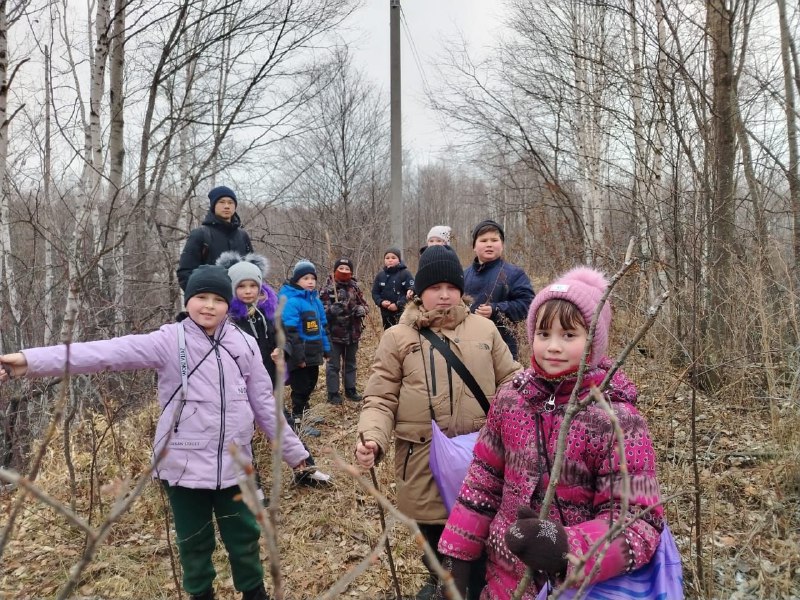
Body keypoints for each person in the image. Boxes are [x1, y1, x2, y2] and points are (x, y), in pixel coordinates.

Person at [0, 265, 311, 600]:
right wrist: (28, 362)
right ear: (188, 299)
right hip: (182, 466)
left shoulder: (246, 344)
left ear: (228, 303)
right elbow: (104, 353)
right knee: (194, 544)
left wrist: (295, 454)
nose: (208, 306)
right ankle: (200, 594)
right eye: (201, 297)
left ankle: (255, 594)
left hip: (236, 466)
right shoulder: (167, 341)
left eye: (217, 299)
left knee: (245, 538)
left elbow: (264, 404)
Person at [435, 267, 664, 600]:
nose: (553, 347)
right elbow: (482, 482)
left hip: (572, 588)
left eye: (568, 335)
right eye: (543, 334)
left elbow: (638, 522)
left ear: (594, 341)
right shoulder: (511, 399)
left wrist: (566, 549)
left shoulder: (617, 420)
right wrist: (457, 555)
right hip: (501, 580)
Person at [354, 245, 522, 600]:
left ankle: (475, 587)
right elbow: (380, 398)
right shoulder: (398, 338)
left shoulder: (485, 330)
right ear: (420, 291)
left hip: (482, 462)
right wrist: (372, 437)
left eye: (451, 286)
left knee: (482, 539)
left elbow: (512, 381)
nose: (444, 295)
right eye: (434, 287)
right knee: (437, 543)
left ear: (461, 289)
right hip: (423, 462)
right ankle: (440, 581)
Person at [218, 251, 331, 485]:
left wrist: (283, 350)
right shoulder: (228, 320)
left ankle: (305, 470)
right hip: (237, 389)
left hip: (267, 383)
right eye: (242, 286)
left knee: (284, 426)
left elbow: (285, 337)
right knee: (242, 437)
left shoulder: (268, 313)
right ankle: (252, 486)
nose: (248, 291)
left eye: (253, 285)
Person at [463, 219, 535, 360]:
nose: (489, 244)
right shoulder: (463, 275)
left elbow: (528, 304)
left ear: (501, 245)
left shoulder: (514, 274)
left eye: (494, 240)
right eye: (483, 240)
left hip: (503, 348)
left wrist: (496, 309)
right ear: (474, 246)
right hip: (466, 346)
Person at [278, 259, 330, 423]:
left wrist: (326, 349)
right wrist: (298, 357)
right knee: (300, 387)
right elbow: (290, 332)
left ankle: (306, 414)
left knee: (310, 384)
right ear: (297, 280)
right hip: (300, 354)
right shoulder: (292, 301)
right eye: (305, 278)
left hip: (314, 353)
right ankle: (297, 417)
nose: (310, 282)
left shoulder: (315, 301)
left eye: (312, 278)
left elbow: (323, 327)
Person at [177, 185, 253, 290]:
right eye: (222, 202)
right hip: (212, 301)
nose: (226, 206)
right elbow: (185, 273)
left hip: (240, 302)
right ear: (213, 205)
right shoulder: (200, 234)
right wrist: (203, 298)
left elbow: (253, 271)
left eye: (230, 202)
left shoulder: (243, 236)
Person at [319, 258, 369, 405]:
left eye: (347, 269)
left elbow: (365, 305)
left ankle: (350, 389)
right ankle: (333, 393)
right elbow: (320, 311)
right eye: (341, 268)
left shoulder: (355, 288)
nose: (344, 271)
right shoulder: (327, 289)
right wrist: (330, 311)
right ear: (335, 270)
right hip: (334, 335)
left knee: (351, 363)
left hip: (353, 333)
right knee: (333, 365)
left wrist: (362, 310)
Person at [372, 247, 414, 330]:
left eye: (393, 258)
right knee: (389, 335)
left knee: (403, 334)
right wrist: (381, 302)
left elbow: (411, 292)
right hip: (385, 313)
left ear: (399, 260)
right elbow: (375, 293)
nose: (390, 260)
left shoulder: (405, 274)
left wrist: (398, 305)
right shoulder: (380, 276)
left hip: (403, 313)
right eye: (387, 258)